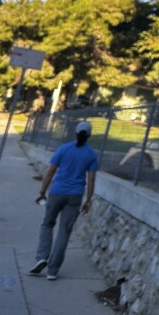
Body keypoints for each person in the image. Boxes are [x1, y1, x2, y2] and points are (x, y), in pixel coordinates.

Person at [30, 120, 98, 280]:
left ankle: (42, 257)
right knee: (64, 232)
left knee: (47, 224)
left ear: (75, 133)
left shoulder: (64, 149)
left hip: (57, 192)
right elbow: (92, 179)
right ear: (89, 135)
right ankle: (52, 271)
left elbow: (51, 171)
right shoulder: (92, 154)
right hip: (75, 195)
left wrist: (42, 191)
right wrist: (88, 200)